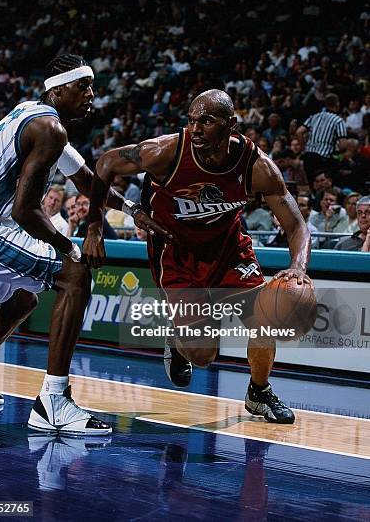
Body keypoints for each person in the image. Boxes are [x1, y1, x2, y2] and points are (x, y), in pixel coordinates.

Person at [0, 54, 168, 435]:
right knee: (74, 274)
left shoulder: (34, 116)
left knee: (22, 299)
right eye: (83, 86)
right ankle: (53, 403)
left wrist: (131, 209)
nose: (92, 94)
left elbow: (87, 181)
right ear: (58, 90)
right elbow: (26, 211)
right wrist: (69, 247)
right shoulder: (49, 129)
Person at [84, 89, 313, 424]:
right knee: (204, 356)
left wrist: (298, 268)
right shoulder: (165, 152)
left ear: (231, 125)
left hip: (228, 248)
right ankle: (177, 341)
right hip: (176, 252)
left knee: (266, 312)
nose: (196, 129)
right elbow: (105, 163)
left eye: (206, 121)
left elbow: (296, 225)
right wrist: (96, 228)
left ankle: (258, 392)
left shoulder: (256, 166)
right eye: (191, 121)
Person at [296, 93, 349, 186]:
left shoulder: (314, 117)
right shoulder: (338, 120)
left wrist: (303, 147)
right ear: (337, 104)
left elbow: (299, 132)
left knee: (312, 185)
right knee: (324, 186)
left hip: (308, 156)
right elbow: (343, 145)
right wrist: (337, 152)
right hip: (323, 158)